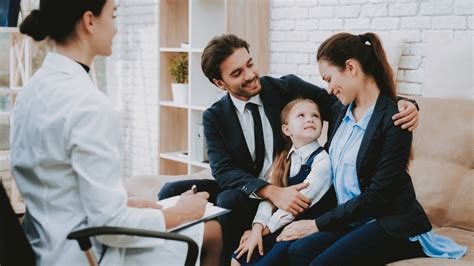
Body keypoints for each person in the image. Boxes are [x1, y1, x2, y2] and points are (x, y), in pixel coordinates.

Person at [157, 34, 420, 265]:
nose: (249, 75)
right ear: (219, 83)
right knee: (171, 191)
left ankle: (233, 259)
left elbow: (344, 99)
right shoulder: (215, 117)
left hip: (293, 183)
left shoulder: (285, 88)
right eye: (236, 73)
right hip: (258, 188)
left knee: (228, 200)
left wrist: (404, 104)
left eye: (249, 64)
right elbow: (223, 171)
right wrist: (271, 191)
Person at [11, 0, 221, 265]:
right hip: (86, 251)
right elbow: (112, 225)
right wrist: (180, 213)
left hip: (44, 243)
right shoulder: (88, 104)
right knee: (211, 232)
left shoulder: (31, 91)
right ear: (89, 21)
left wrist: (128, 202)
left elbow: (57, 183)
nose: (116, 29)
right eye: (112, 15)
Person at [273, 32, 468, 265]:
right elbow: (288, 83)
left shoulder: (395, 118)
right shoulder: (339, 109)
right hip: (354, 219)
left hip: (391, 222)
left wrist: (316, 224)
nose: (327, 89)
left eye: (328, 79)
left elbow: (378, 196)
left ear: (351, 67)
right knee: (299, 251)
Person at [232, 98, 333, 266]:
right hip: (276, 224)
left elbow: (296, 206)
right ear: (287, 129)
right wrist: (256, 228)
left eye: (315, 116)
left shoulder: (322, 161)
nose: (310, 119)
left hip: (300, 228)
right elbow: (269, 200)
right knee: (239, 256)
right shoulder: (283, 158)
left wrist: (264, 231)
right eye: (301, 115)